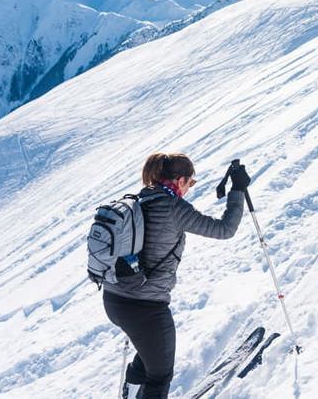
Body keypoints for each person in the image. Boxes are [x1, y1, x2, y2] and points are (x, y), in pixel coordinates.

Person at [103, 153, 248, 399]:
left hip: (114, 299)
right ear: (180, 180)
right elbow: (224, 229)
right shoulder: (173, 207)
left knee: (148, 353)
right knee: (159, 375)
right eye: (191, 183)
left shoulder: (136, 201)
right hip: (146, 308)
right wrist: (238, 191)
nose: (190, 188)